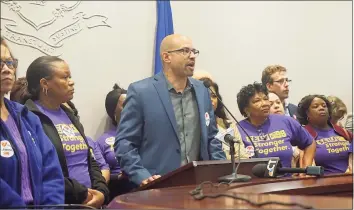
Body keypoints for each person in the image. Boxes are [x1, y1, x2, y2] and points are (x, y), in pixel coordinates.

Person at [115, 34, 226, 187]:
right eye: (185, 51)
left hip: (199, 185)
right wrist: (141, 175)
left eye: (194, 51)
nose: (192, 56)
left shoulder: (202, 90)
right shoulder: (141, 92)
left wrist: (221, 172)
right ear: (167, 57)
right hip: (157, 184)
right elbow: (125, 142)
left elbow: (212, 137)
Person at [23, 56, 109, 208]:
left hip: (89, 202)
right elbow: (40, 170)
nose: (71, 81)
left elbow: (89, 158)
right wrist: (82, 193)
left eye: (70, 76)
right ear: (45, 83)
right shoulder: (28, 117)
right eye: (65, 77)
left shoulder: (70, 115)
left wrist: (101, 191)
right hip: (61, 202)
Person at [0, 37, 64, 207]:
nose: (7, 69)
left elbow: (51, 172)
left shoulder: (26, 116)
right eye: (0, 63)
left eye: (9, 62)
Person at [236, 82, 316, 172]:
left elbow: (309, 143)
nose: (265, 103)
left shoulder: (285, 121)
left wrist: (305, 170)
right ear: (246, 109)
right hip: (254, 184)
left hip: (286, 182)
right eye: (257, 101)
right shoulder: (238, 129)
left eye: (266, 99)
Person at [297, 94, 352, 174]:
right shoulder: (303, 134)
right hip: (322, 183)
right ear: (307, 113)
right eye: (315, 106)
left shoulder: (342, 131)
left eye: (324, 106)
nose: (321, 108)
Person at [197, 77, 249, 160]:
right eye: (206, 96)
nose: (211, 100)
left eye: (214, 96)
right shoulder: (195, 126)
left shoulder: (229, 125)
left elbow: (242, 156)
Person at [97, 84, 133, 199]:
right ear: (113, 111)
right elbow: (99, 176)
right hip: (118, 193)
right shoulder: (103, 141)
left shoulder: (145, 135)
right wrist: (118, 177)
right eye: (125, 105)